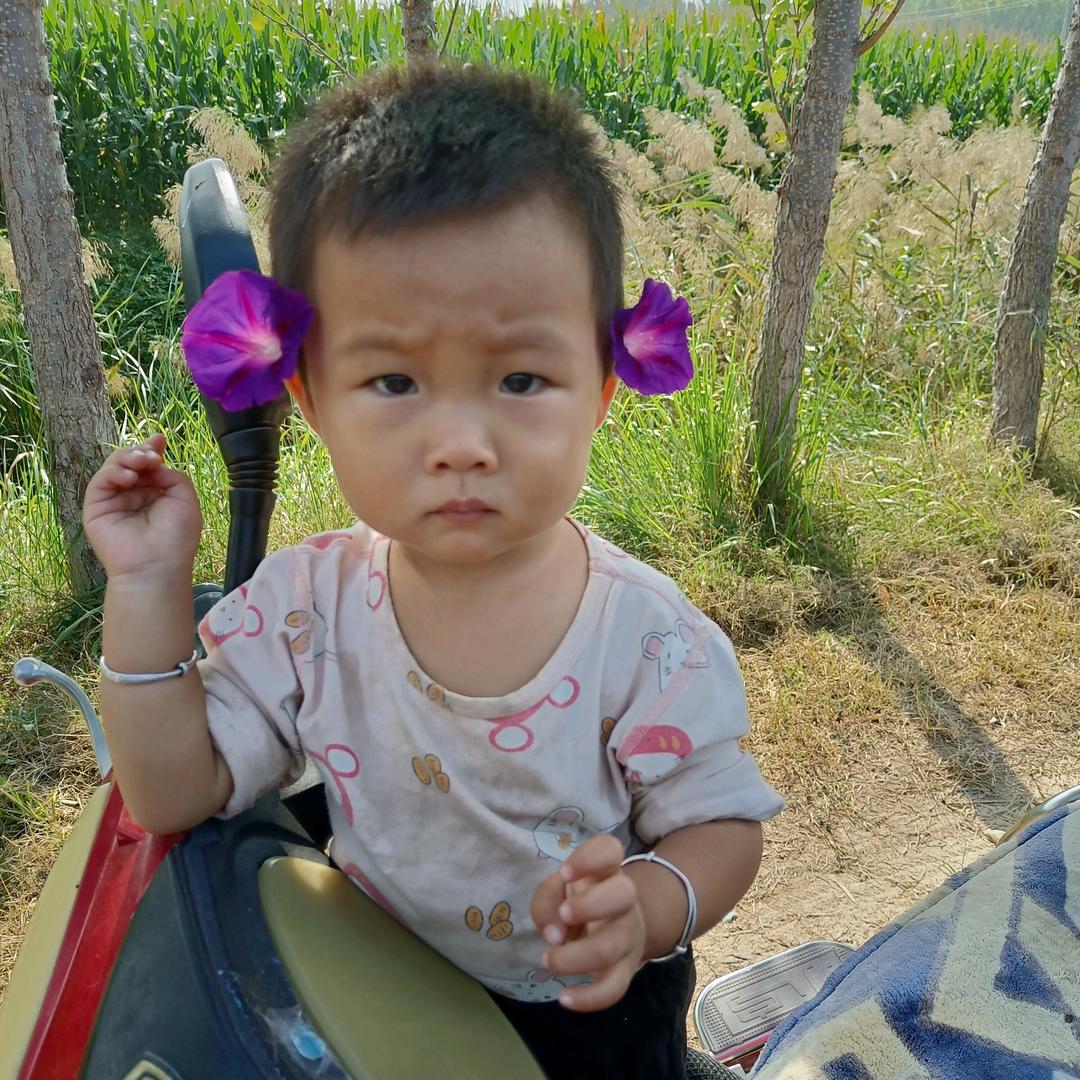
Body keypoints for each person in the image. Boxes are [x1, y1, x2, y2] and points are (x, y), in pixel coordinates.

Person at [82, 63, 783, 1079]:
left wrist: (648, 905)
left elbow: (720, 824)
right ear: (311, 397)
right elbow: (172, 794)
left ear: (601, 386)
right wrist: (146, 588)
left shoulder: (645, 638)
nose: (460, 443)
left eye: (520, 378)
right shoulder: (304, 614)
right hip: (380, 991)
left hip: (588, 1019)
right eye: (395, 381)